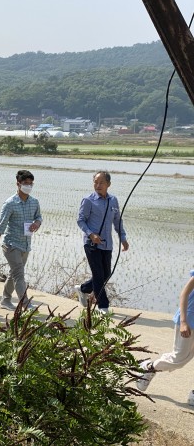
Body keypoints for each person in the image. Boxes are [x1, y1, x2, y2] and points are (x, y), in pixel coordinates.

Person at [136, 270, 194, 407]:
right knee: (179, 359)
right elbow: (184, 294)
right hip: (189, 320)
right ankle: (149, 367)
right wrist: (184, 322)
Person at [75, 170, 129, 314]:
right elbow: (80, 220)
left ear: (108, 184)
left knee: (106, 274)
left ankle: (83, 288)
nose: (98, 185)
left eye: (101, 183)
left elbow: (117, 221)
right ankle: (103, 306)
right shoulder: (88, 200)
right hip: (91, 243)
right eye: (96, 182)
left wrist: (123, 238)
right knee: (98, 275)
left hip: (107, 244)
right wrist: (91, 234)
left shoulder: (113, 200)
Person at [0, 170, 43, 310]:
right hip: (11, 245)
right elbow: (1, 226)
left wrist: (36, 223)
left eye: (31, 184)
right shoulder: (10, 203)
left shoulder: (34, 202)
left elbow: (39, 217)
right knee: (19, 274)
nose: (28, 186)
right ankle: (25, 304)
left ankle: (5, 300)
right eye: (25, 183)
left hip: (26, 244)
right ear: (18, 184)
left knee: (14, 273)